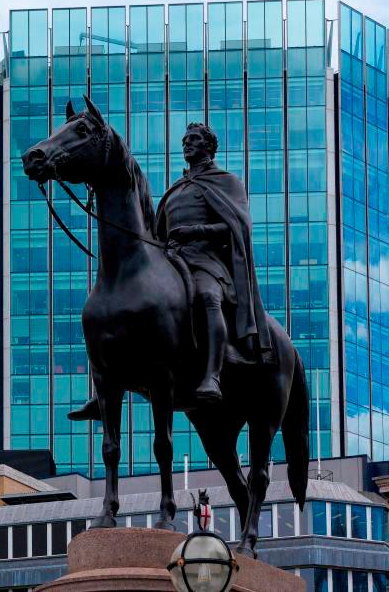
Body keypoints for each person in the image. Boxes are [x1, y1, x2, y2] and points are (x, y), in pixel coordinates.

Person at [70, 122, 272, 419]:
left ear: (209, 146)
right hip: (173, 260)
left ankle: (212, 375)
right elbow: (156, 231)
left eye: (194, 139)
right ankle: (103, 390)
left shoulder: (226, 182)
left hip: (206, 261)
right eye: (185, 140)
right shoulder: (176, 190)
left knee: (208, 297)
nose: (187, 144)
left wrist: (195, 230)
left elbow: (238, 226)